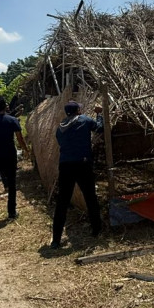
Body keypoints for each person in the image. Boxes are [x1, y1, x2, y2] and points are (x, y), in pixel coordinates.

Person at [50, 101, 104, 249]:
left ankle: (56, 239)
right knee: (90, 196)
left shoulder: (60, 127)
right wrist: (99, 114)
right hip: (82, 164)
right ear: (78, 110)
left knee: (62, 202)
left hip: (66, 165)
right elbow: (100, 129)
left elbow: (63, 143)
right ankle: (96, 230)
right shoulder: (85, 120)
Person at [0, 96, 28, 219]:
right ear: (5, 106)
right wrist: (26, 150)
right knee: (12, 183)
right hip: (9, 155)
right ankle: (12, 212)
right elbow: (19, 138)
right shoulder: (12, 120)